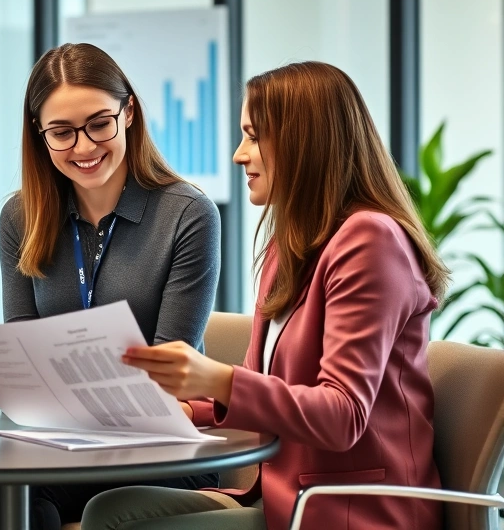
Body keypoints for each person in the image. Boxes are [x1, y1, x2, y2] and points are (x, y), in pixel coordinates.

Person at [81, 61, 446, 530]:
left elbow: (343, 414)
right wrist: (186, 409)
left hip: (351, 509)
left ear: (304, 142)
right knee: (107, 512)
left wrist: (217, 379)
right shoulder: (290, 244)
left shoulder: (370, 241)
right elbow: (268, 381)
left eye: (253, 136)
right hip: (283, 494)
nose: (239, 155)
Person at [0, 43, 221, 530]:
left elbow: (168, 363)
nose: (84, 148)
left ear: (128, 113)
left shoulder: (187, 215)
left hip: (155, 447)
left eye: (98, 124)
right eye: (62, 133)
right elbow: (22, 341)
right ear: (40, 136)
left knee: (20, 495)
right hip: (58, 435)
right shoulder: (20, 217)